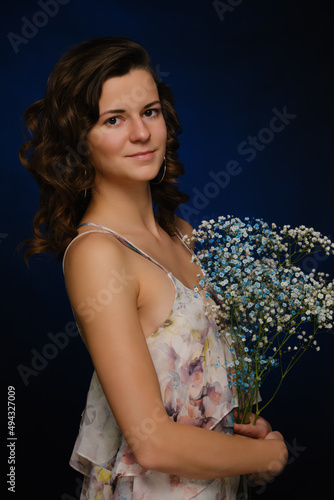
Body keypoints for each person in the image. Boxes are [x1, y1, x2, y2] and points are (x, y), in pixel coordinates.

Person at [20, 37, 287, 499]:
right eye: (113, 120)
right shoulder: (98, 254)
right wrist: (268, 456)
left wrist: (247, 437)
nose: (141, 134)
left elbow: (202, 388)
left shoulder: (181, 233)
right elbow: (152, 442)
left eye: (149, 111)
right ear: (79, 141)